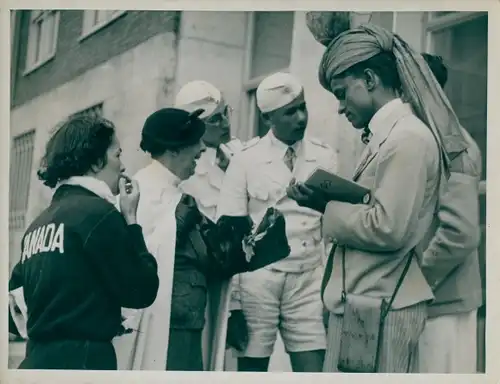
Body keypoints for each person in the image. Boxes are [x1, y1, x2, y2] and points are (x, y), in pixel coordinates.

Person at [289, 22, 469, 373]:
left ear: (370, 79)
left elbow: (389, 228)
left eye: (342, 93)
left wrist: (327, 211)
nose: (340, 107)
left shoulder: (407, 139)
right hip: (369, 304)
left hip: (381, 307)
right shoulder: (390, 136)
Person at [113, 107, 289, 371]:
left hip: (186, 321)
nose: (200, 150)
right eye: (194, 143)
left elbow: (211, 254)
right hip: (165, 327)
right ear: (173, 149)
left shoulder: (174, 193)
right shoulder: (143, 193)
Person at [7, 114, 160, 370]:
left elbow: (16, 311)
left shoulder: (37, 224)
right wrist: (131, 221)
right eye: (117, 154)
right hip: (84, 362)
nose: (123, 166)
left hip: (36, 361)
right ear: (96, 160)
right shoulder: (100, 214)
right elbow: (142, 290)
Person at [217, 72, 337, 372]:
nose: (301, 118)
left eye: (303, 107)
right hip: (258, 280)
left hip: (308, 277)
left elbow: (334, 228)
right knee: (253, 368)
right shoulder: (246, 160)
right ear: (268, 117)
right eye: (290, 112)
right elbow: (230, 235)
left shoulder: (325, 156)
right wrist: (233, 306)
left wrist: (331, 288)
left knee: (313, 368)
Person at [414, 53, 482, 373]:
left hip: (442, 304)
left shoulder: (448, 141)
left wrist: (415, 280)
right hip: (437, 300)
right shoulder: (430, 135)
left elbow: (461, 232)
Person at [174, 81, 245, 370]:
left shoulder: (240, 153)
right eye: (215, 118)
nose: (226, 122)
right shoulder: (185, 170)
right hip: (202, 284)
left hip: (243, 283)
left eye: (226, 112)